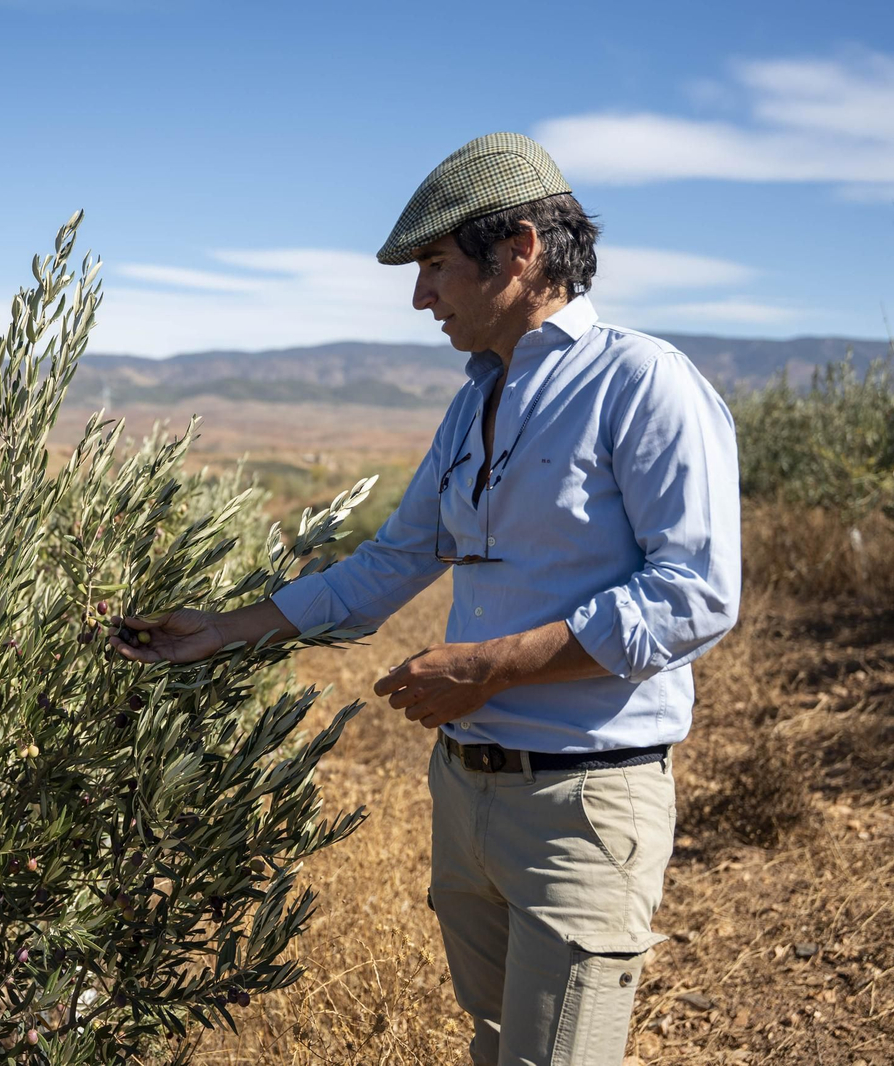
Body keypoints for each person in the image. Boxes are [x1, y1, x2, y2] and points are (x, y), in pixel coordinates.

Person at [107, 131, 742, 1066]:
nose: (420, 296)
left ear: (520, 250)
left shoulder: (641, 382)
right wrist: (225, 631)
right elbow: (391, 562)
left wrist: (490, 668)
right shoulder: (472, 404)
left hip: (585, 804)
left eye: (435, 265)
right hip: (465, 790)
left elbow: (696, 594)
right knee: (497, 1045)